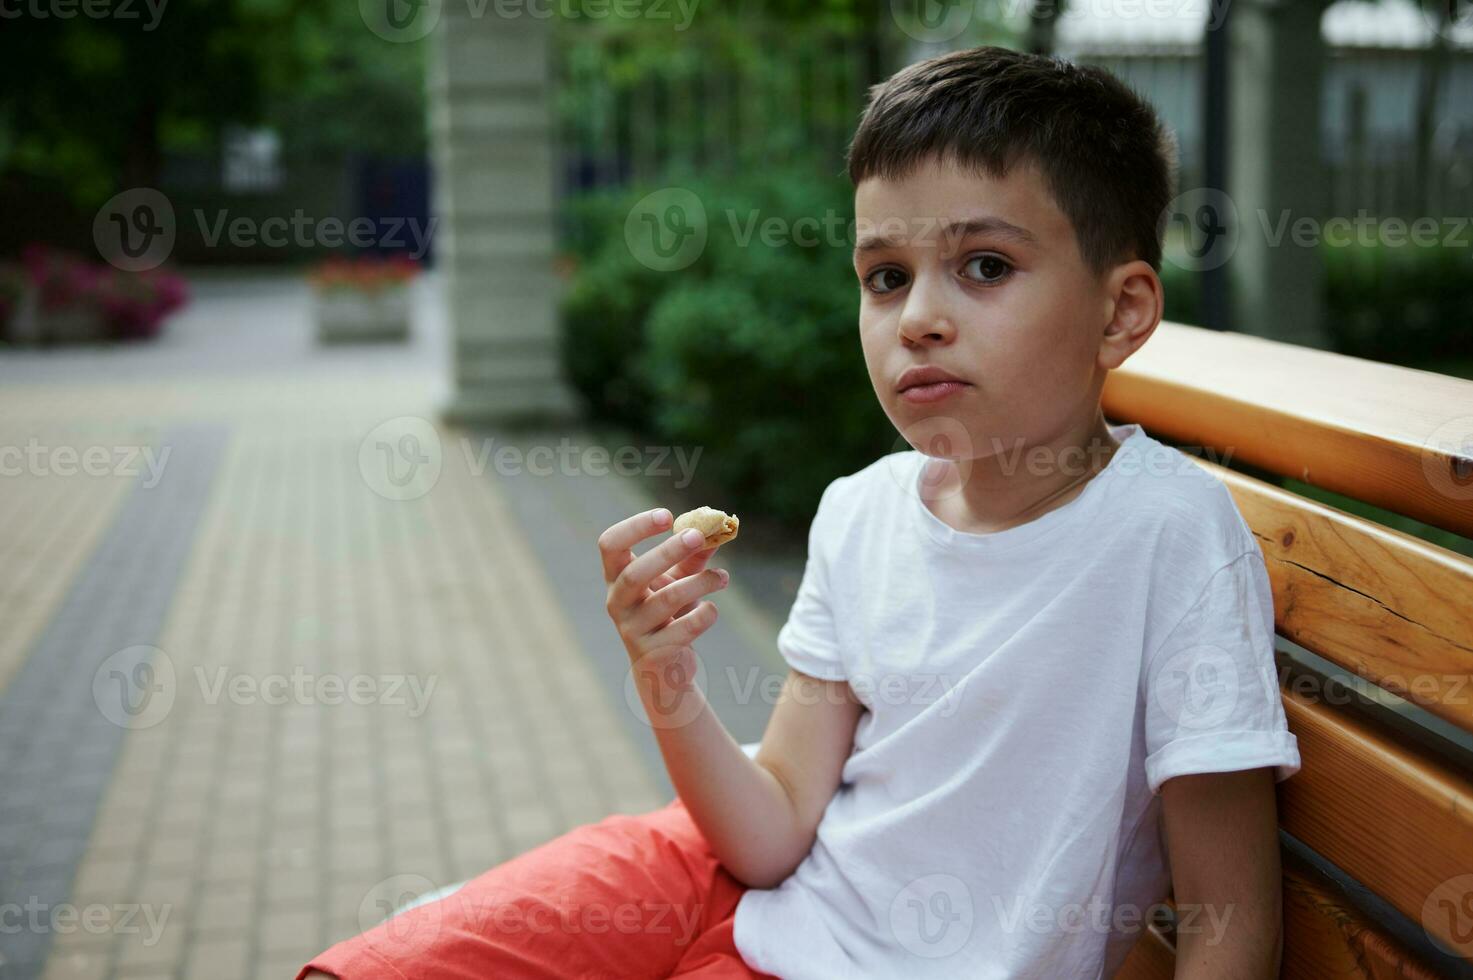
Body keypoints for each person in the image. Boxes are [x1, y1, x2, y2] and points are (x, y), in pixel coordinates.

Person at [299, 44, 1300, 979]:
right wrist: (668, 678)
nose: (918, 318)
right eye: (885, 277)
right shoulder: (859, 511)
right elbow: (773, 828)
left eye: (985, 265)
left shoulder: (1170, 533)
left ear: (1121, 310)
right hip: (753, 915)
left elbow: (1228, 910)